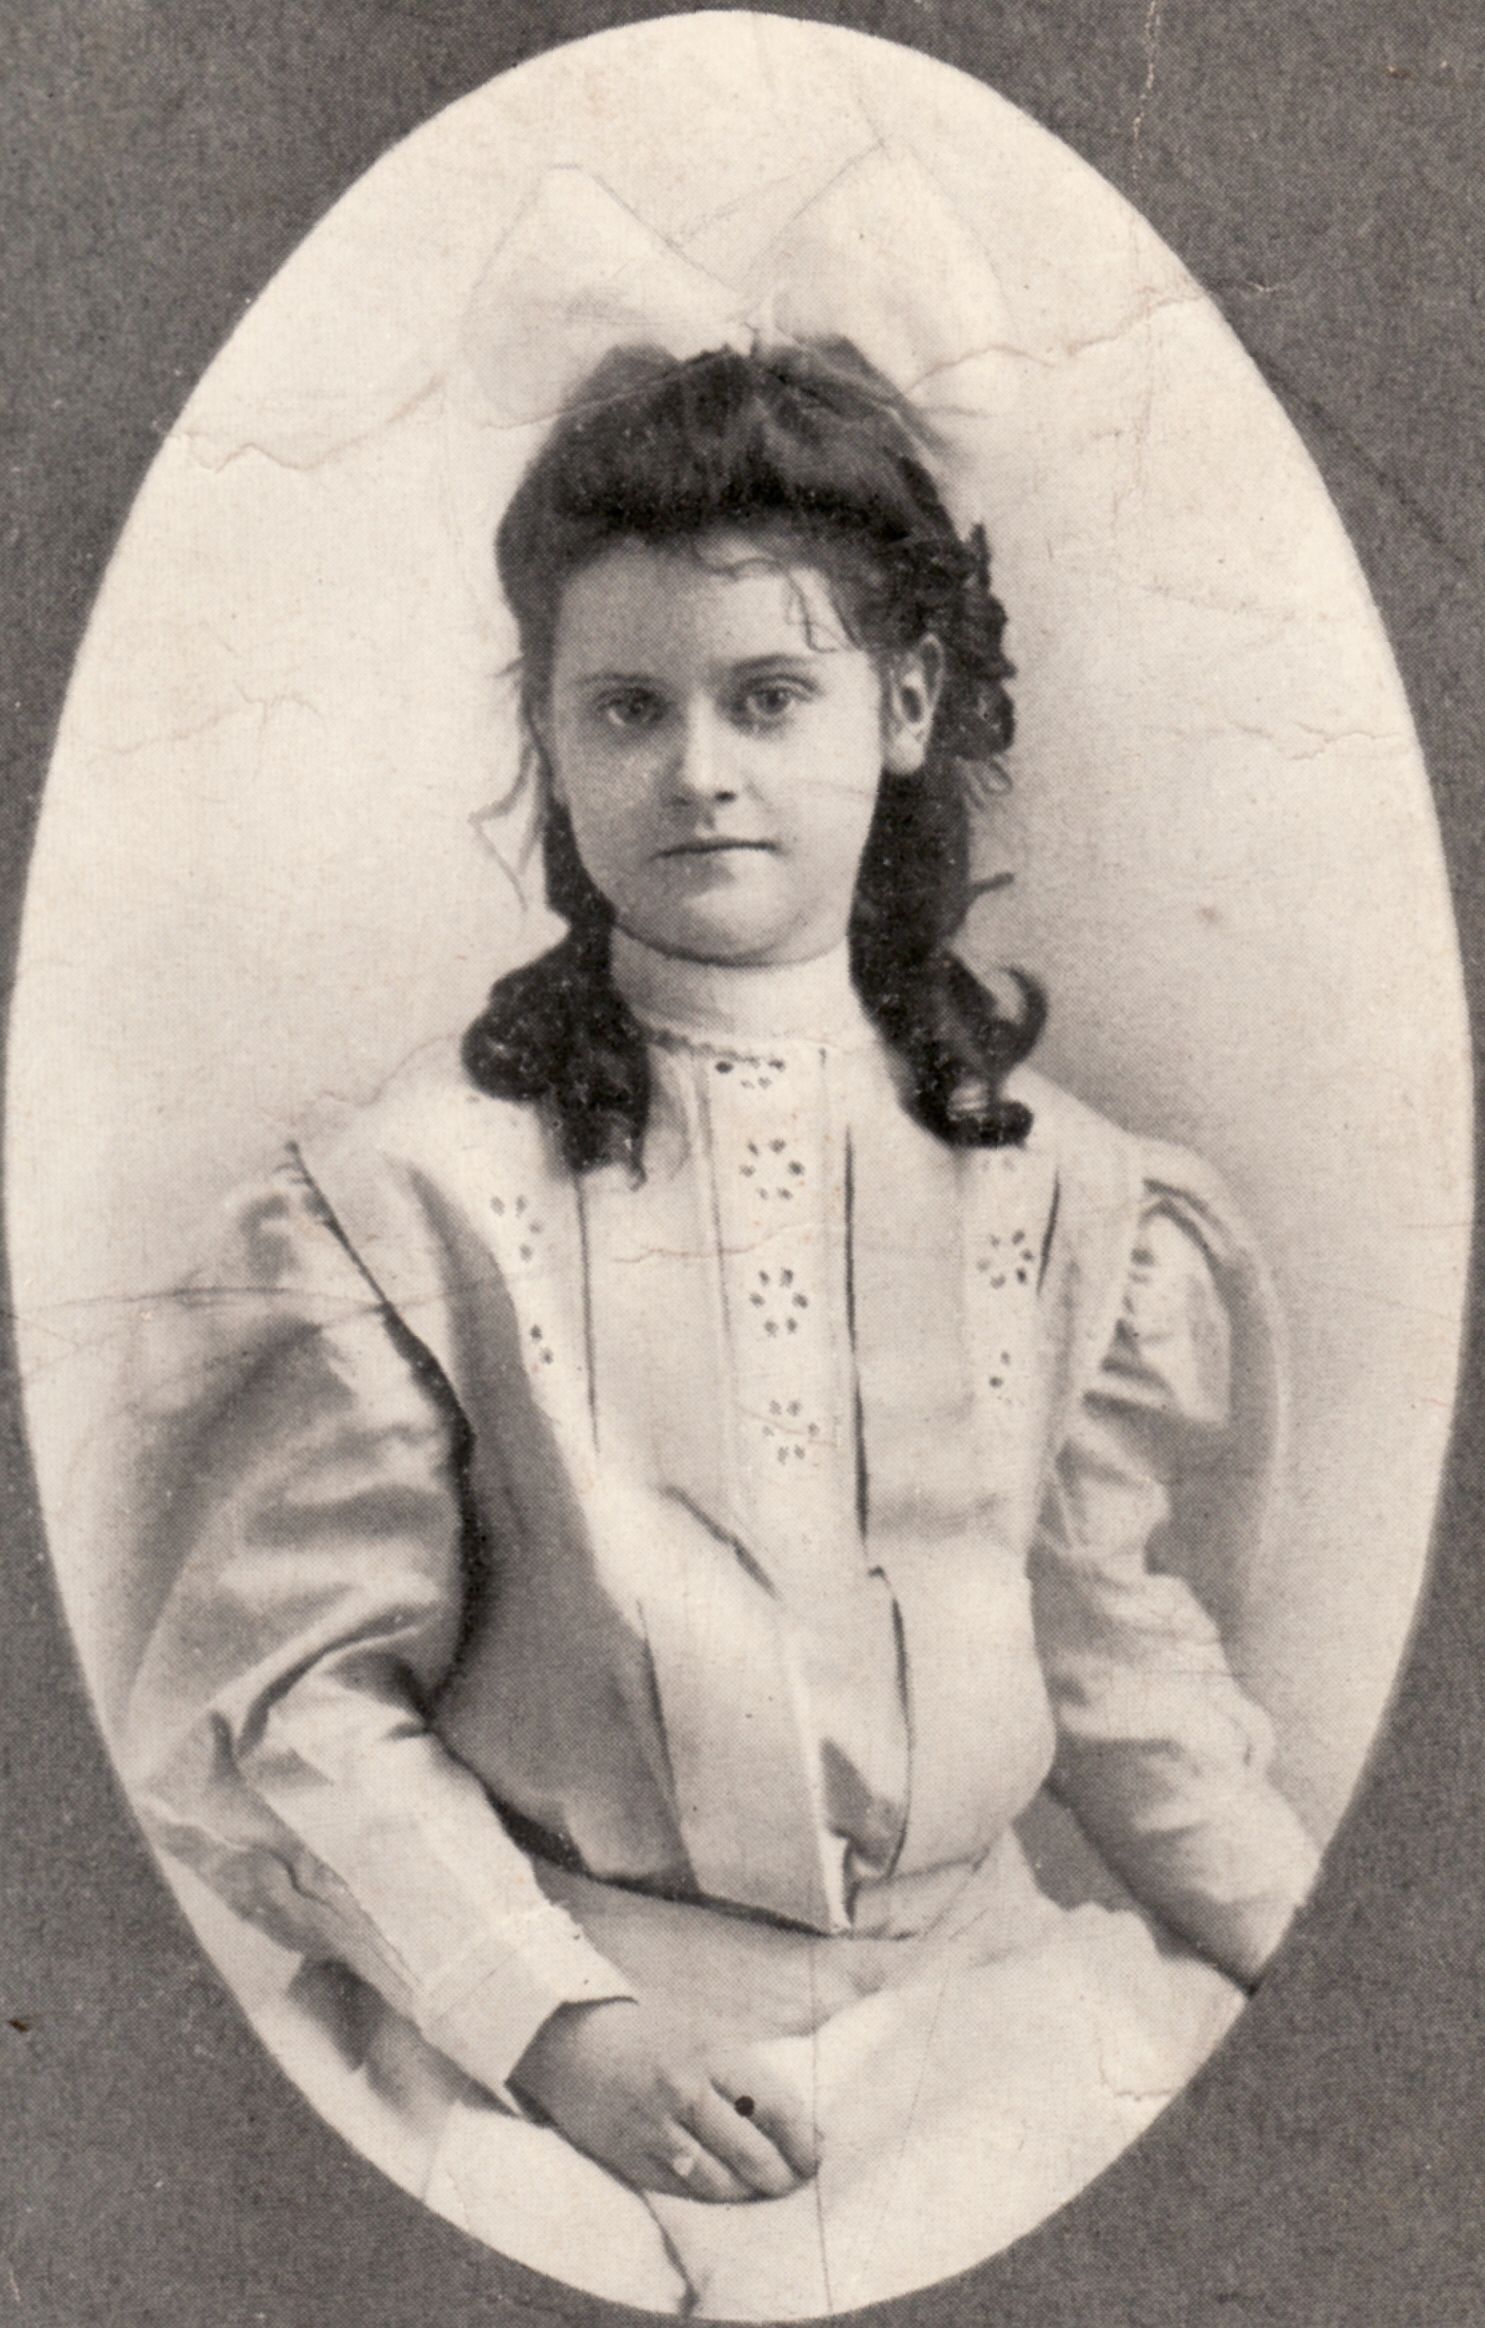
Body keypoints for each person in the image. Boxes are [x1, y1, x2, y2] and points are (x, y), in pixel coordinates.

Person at [119, 336, 1319, 2318]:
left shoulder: (1063, 1191)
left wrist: (1327, 1965)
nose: (695, 768)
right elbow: (299, 1706)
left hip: (987, 2003)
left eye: (767, 697)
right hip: (568, 2042)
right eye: (626, 707)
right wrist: (560, 2028)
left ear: (903, 704)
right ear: (550, 732)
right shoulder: (407, 1198)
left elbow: (1110, 1662)